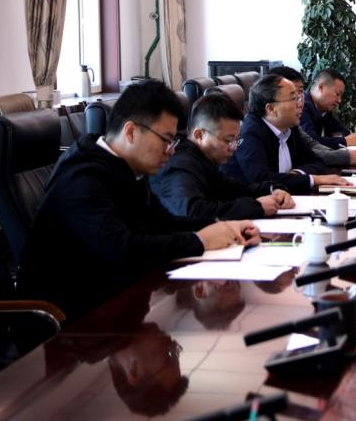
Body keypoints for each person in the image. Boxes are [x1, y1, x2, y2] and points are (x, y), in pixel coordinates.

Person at [18, 80, 258, 321]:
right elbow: (122, 250)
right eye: (166, 139)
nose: (171, 150)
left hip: (115, 304)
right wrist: (200, 241)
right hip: (68, 321)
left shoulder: (125, 168)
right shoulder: (82, 179)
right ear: (131, 131)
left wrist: (225, 228)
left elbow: (164, 223)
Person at [152, 93, 295, 220]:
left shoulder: (204, 160)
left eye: (236, 140)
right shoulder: (180, 165)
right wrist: (256, 206)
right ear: (200, 135)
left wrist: (272, 189)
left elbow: (234, 188)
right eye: (228, 140)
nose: (234, 147)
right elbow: (192, 212)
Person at [224, 75, 352, 194]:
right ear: (271, 109)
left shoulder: (289, 127)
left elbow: (318, 163)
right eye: (294, 98)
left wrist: (297, 174)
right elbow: (262, 180)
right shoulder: (250, 133)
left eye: (299, 97)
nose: (300, 104)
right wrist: (314, 179)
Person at [266, 66, 356, 168]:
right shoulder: (257, 131)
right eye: (293, 96)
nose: (300, 102)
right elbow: (307, 155)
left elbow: (311, 146)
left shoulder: (292, 126)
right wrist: (344, 148)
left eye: (300, 92)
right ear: (271, 107)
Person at [301, 68, 356, 149]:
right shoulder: (301, 107)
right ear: (321, 87)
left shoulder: (325, 111)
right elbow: (311, 143)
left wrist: (347, 139)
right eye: (337, 94)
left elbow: (345, 133)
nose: (339, 100)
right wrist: (344, 141)